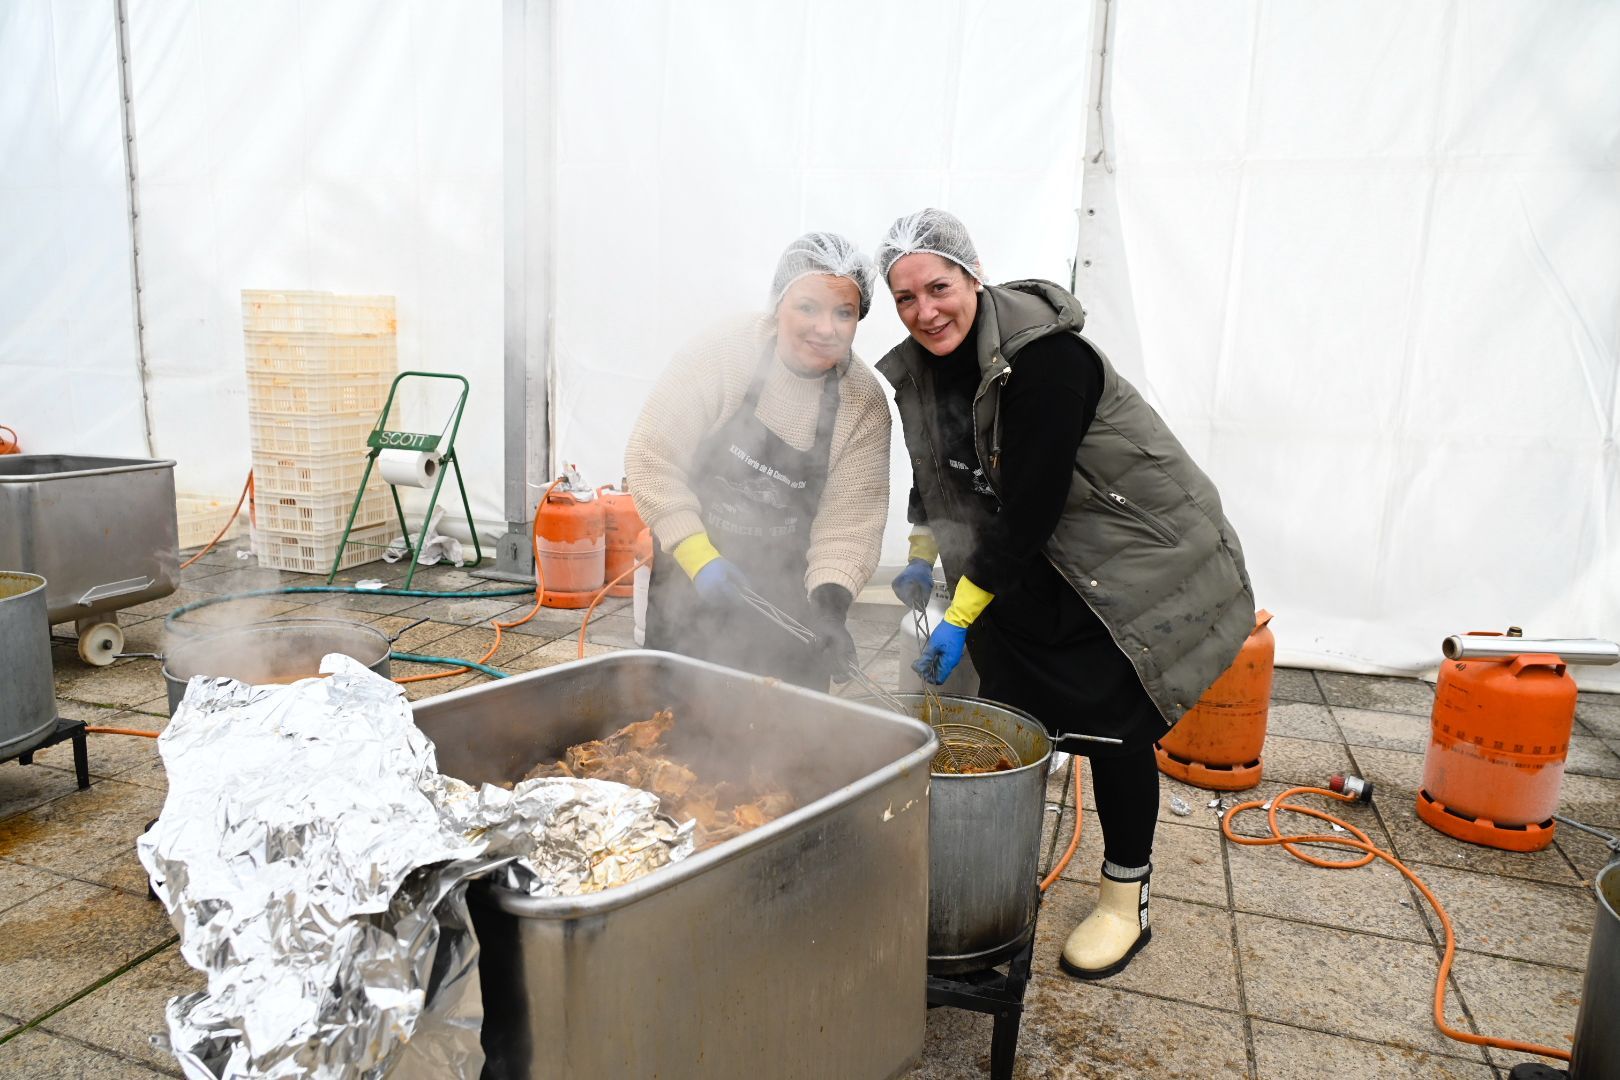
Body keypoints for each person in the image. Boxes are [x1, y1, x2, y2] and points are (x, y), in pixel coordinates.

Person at [875, 209, 1255, 979]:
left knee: (1113, 728)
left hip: (1121, 571)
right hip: (1023, 569)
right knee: (1009, 720)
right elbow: (934, 476)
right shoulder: (921, 369)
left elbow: (1032, 506)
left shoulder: (1048, 363)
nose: (925, 311)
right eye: (905, 298)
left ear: (973, 277)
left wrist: (959, 616)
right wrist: (921, 554)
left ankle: (1125, 900)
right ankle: (995, 866)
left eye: (938, 287)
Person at [624, 232, 892, 690]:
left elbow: (849, 523)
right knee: (672, 727)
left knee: (785, 739)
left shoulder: (861, 401)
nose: (825, 328)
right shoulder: (724, 352)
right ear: (778, 304)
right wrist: (699, 557)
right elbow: (652, 457)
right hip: (694, 577)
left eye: (843, 312)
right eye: (808, 306)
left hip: (792, 596)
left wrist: (829, 608)